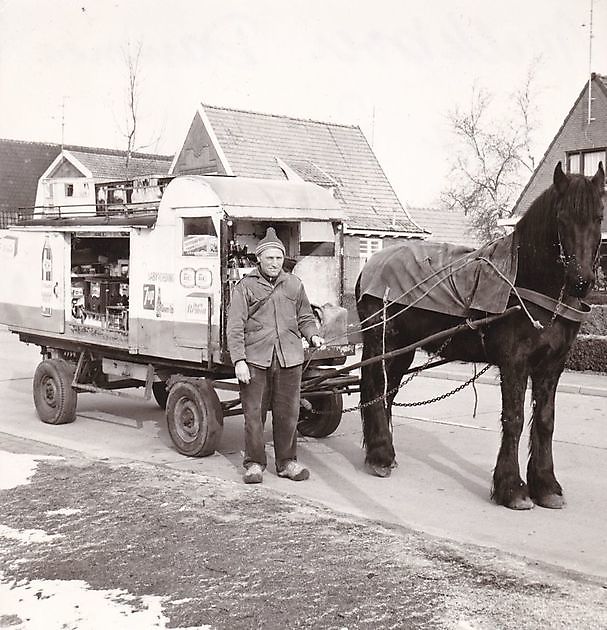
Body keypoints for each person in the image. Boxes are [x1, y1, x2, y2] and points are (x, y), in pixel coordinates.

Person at [227, 227, 324, 484]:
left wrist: (312, 334)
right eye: (269, 258)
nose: (274, 263)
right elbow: (235, 326)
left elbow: (305, 317)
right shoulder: (245, 287)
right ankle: (255, 464)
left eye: (279, 258)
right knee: (254, 414)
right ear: (259, 258)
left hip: (289, 358)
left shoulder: (294, 284)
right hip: (256, 360)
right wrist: (239, 361)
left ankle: (287, 463)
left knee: (288, 413)